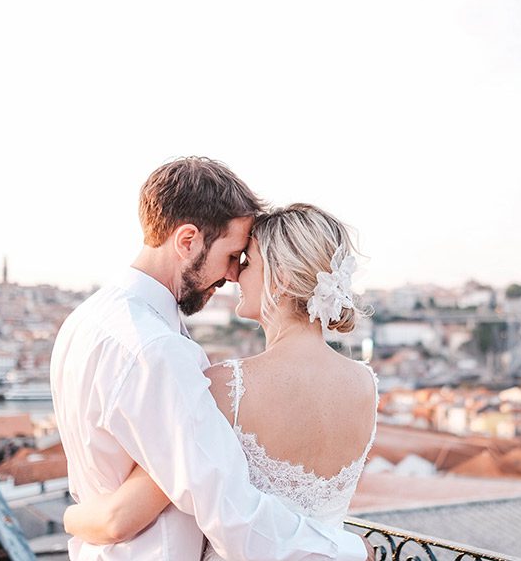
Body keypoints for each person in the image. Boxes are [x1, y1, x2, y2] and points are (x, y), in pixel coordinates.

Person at [50, 157, 374, 561]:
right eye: (234, 254)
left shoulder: (84, 322)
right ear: (187, 241)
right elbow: (230, 511)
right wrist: (351, 551)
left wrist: (76, 518)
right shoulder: (159, 351)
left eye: (244, 259)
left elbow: (118, 507)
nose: (233, 274)